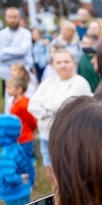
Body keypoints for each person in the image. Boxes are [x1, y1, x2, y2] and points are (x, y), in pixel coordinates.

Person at [28, 48, 91, 182]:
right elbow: (32, 105)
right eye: (58, 62)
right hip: (46, 135)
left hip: (67, 136)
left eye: (66, 61)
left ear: (74, 63)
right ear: (52, 65)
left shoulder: (80, 83)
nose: (63, 65)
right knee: (51, 174)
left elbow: (63, 105)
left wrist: (44, 103)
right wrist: (50, 111)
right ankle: (57, 202)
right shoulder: (48, 82)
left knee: (67, 176)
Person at [0, 114, 34, 205]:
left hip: (14, 193)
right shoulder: (16, 146)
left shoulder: (5, 155)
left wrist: (20, 178)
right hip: (23, 191)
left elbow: (9, 177)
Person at [0, 7, 33, 97]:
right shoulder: (0, 35)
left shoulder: (26, 33)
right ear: (5, 17)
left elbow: (23, 50)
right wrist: (16, 51)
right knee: (9, 102)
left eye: (15, 17)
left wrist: (4, 50)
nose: (12, 19)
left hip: (23, 75)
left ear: (19, 17)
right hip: (6, 75)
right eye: (10, 17)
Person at [6, 76, 37, 163]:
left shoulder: (24, 104)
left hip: (25, 137)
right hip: (17, 136)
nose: (7, 90)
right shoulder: (14, 101)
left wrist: (30, 130)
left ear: (19, 89)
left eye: (9, 88)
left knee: (26, 160)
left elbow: (31, 120)